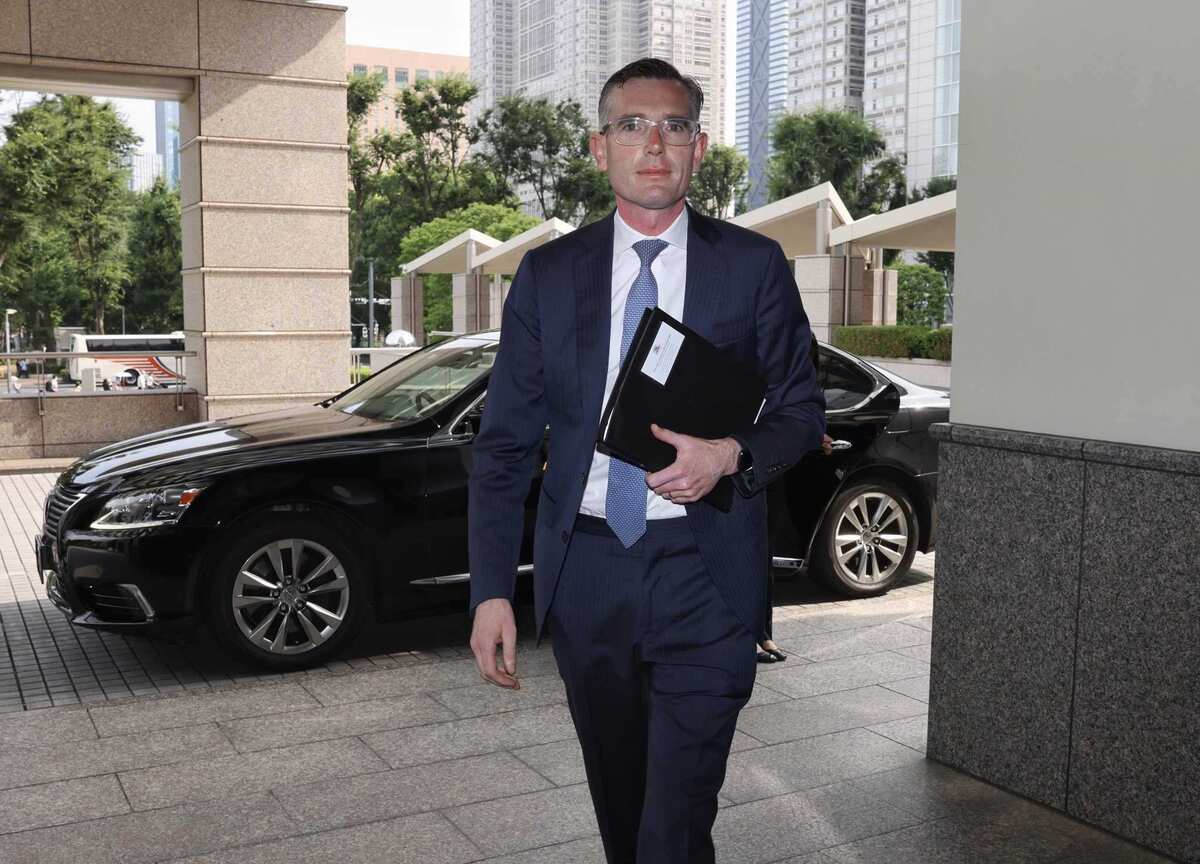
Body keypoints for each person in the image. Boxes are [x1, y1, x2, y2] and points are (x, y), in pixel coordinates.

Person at [467, 57, 825, 864]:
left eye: (674, 126)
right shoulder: (549, 275)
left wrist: (731, 454)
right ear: (601, 148)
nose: (654, 145)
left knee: (675, 820)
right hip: (587, 571)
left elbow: (803, 413)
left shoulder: (753, 265)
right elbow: (505, 447)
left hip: (707, 574)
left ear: (699, 147)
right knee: (622, 807)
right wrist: (491, 591)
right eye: (632, 125)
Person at [756, 336, 832, 664]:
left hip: (771, 478)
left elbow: (795, 419)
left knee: (762, 560)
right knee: (745, 558)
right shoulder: (759, 361)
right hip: (740, 471)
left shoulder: (799, 376)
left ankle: (762, 633)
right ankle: (748, 635)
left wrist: (812, 436)